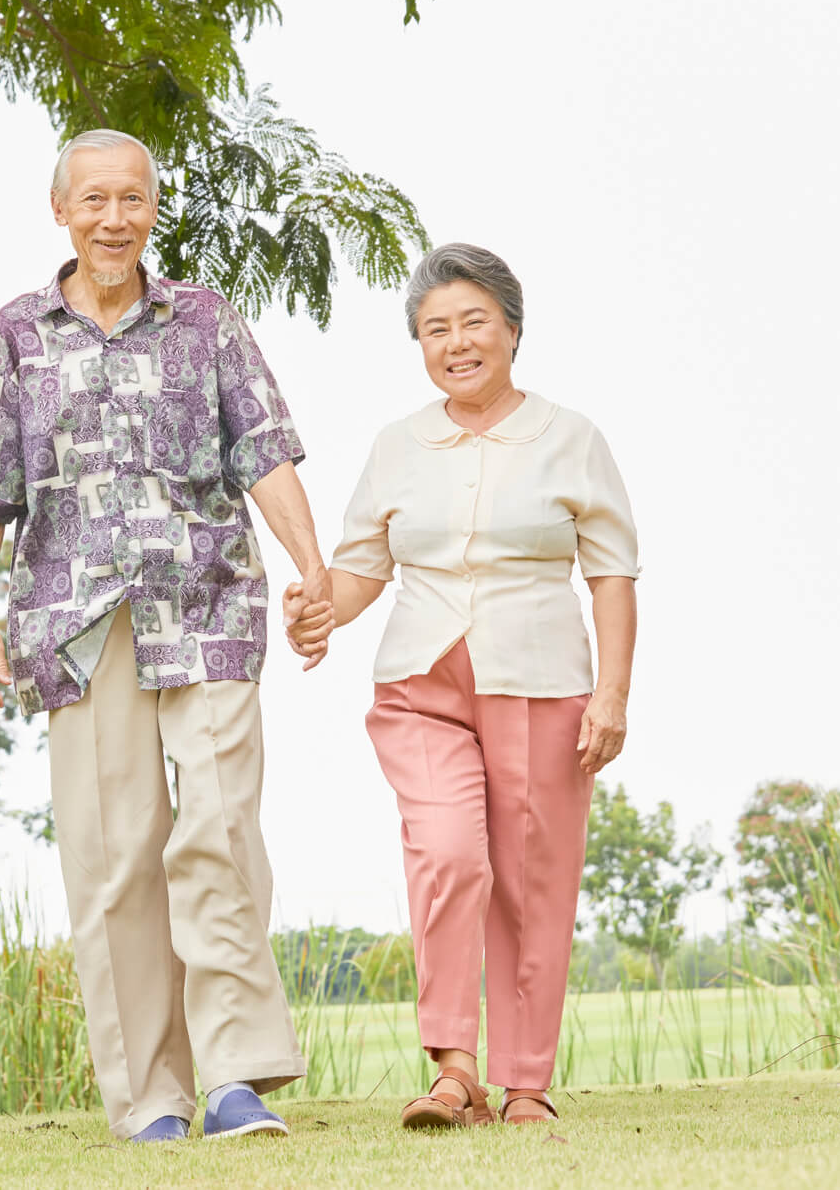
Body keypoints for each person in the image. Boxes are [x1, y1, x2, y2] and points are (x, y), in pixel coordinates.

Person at [0, 129, 331, 1143]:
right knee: (115, 858)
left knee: (220, 824)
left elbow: (267, 452)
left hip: (209, 599)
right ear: (60, 210)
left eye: (135, 200)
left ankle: (238, 1074)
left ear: (156, 207)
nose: (117, 218)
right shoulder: (16, 336)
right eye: (96, 200)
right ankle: (152, 1095)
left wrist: (311, 567)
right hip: (75, 619)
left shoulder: (204, 319)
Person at [284, 242, 639, 1129]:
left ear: (513, 329)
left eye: (474, 320)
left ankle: (525, 1086)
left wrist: (613, 695)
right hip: (420, 685)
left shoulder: (571, 438)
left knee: (531, 880)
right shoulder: (397, 446)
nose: (457, 341)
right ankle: (452, 1070)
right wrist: (319, 607)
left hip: (543, 684)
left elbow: (613, 575)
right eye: (436, 328)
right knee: (449, 855)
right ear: (419, 345)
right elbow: (362, 567)